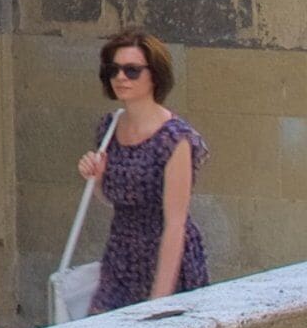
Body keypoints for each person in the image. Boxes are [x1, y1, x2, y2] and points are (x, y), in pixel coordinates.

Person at [73, 27, 209, 309]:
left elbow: (175, 224)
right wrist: (97, 179)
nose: (121, 77)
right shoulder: (108, 127)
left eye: (132, 70)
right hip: (120, 255)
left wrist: (159, 300)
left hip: (166, 258)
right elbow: (115, 199)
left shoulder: (174, 139)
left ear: (153, 75)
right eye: (114, 70)